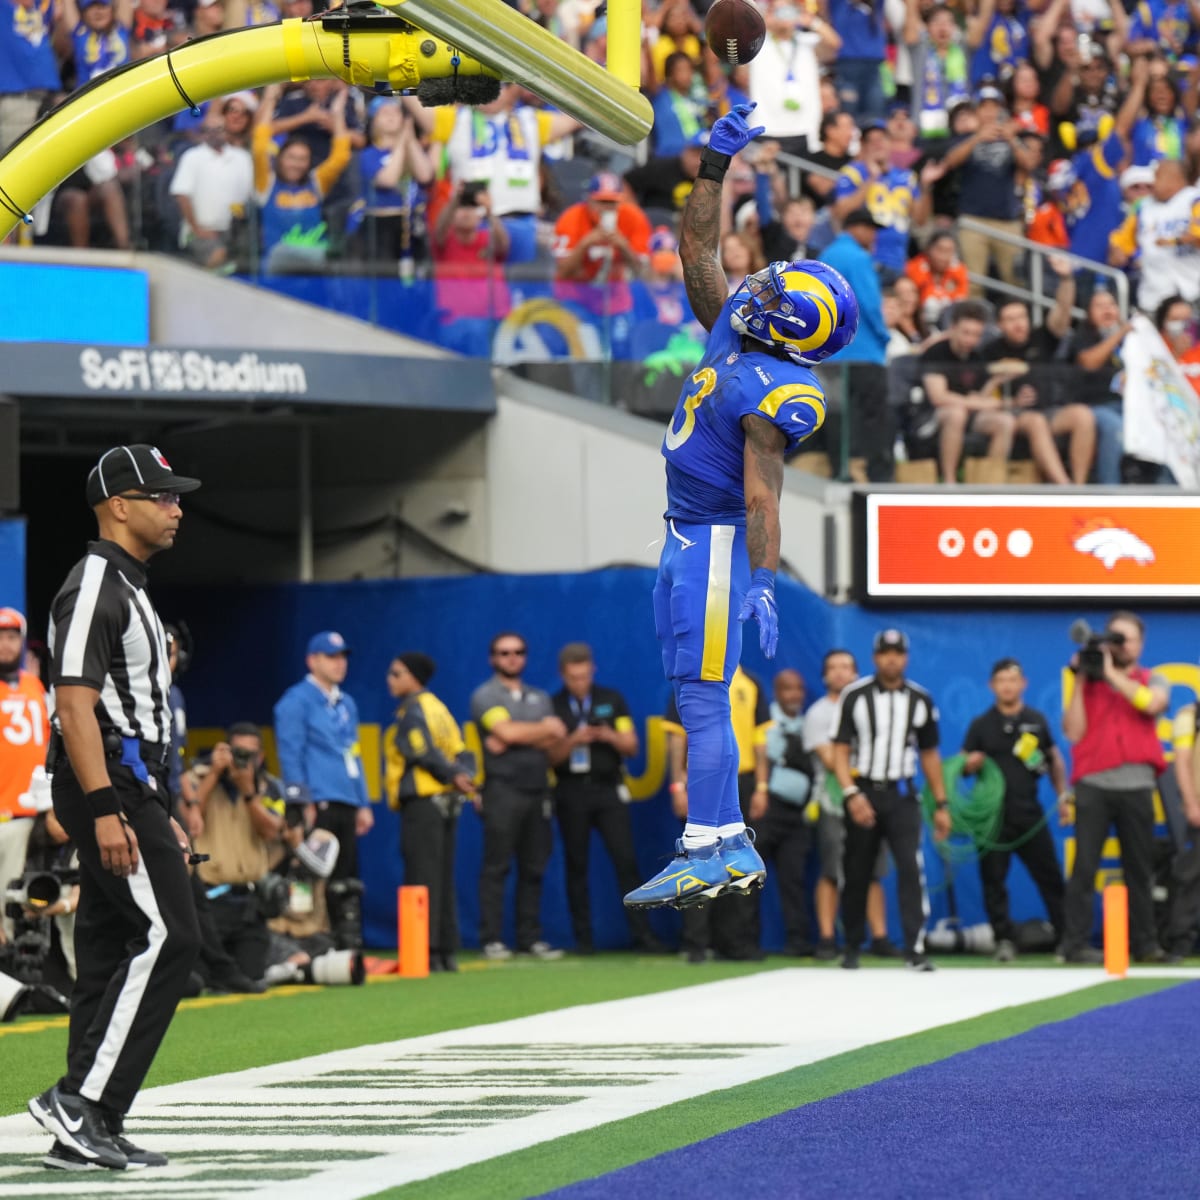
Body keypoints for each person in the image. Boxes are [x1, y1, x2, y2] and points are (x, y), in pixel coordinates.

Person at [623, 102, 859, 914]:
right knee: (694, 692)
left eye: (771, 287)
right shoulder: (735, 335)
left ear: (787, 321)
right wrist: (714, 166)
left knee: (701, 697)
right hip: (686, 535)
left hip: (717, 546)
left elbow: (764, 493)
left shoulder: (776, 392)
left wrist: (762, 578)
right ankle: (729, 843)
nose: (756, 283)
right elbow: (695, 248)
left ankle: (706, 849)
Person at [29, 444, 203, 1171]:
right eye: (160, 496)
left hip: (133, 785)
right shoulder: (96, 582)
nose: (177, 508)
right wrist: (106, 808)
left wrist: (161, 801)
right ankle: (83, 1103)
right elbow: (73, 704)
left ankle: (87, 1126)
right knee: (172, 937)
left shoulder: (128, 584)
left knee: (107, 947)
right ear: (118, 505)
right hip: (109, 784)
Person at [832, 629, 950, 971]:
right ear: (874, 657)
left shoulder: (920, 699)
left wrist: (941, 804)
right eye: (885, 652)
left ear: (906, 657)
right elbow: (840, 750)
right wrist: (851, 793)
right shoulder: (854, 695)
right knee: (857, 871)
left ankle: (915, 948)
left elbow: (929, 754)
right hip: (864, 791)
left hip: (902, 794)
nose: (891, 658)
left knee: (911, 870)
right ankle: (852, 946)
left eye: (897, 652)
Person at [1060, 612, 1169, 964]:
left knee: (1139, 868)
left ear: (1140, 645)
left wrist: (1110, 673)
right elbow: (1073, 732)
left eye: (1127, 640)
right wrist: (1080, 681)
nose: (1120, 646)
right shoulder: (1088, 683)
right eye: (1115, 638)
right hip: (1093, 785)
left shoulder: (1153, 679)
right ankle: (1074, 944)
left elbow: (1151, 704)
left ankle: (1146, 945)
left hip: (1137, 785)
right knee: (1084, 867)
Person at [548, 643, 662, 955]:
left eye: (584, 676)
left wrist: (607, 735)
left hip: (608, 789)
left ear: (592, 670)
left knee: (625, 861)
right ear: (563, 676)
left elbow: (632, 745)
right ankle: (583, 940)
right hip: (571, 791)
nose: (580, 683)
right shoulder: (553, 705)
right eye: (573, 678)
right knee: (576, 865)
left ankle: (643, 936)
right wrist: (574, 740)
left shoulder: (610, 700)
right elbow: (550, 757)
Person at [961, 658, 1068, 962]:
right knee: (993, 881)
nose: (1007, 685)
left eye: (1013, 679)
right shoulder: (980, 725)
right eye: (1001, 680)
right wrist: (971, 764)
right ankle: (1004, 939)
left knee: (1050, 877)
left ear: (1023, 684)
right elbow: (962, 766)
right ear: (992, 686)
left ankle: (1066, 937)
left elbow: (1054, 761)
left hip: (1029, 815)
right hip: (993, 819)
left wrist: (1062, 798)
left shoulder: (1036, 720)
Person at [471, 631, 567, 961]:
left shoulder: (540, 697)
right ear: (492, 658)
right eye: (504, 652)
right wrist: (539, 732)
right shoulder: (486, 695)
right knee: (496, 866)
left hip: (538, 788)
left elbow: (555, 742)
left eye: (518, 652)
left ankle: (529, 938)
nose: (512, 658)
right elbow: (507, 732)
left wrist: (516, 736)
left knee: (534, 866)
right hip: (502, 790)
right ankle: (492, 938)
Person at [273, 631, 371, 951]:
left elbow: (353, 753)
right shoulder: (296, 701)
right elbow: (291, 752)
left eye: (342, 656)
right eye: (331, 656)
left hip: (345, 799)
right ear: (311, 660)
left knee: (346, 877)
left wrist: (363, 801)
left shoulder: (346, 703)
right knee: (308, 873)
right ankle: (306, 938)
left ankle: (346, 942)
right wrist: (302, 801)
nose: (339, 663)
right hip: (319, 801)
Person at [383, 652, 475, 973]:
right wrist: (464, 776)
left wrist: (452, 776)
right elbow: (465, 752)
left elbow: (421, 752)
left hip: (424, 804)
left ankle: (425, 952)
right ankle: (446, 951)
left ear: (412, 677)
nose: (390, 679)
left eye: (396, 673)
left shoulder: (413, 711)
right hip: (447, 803)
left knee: (421, 878)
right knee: (443, 878)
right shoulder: (441, 709)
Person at [804, 649, 894, 959]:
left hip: (871, 800)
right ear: (825, 676)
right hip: (833, 801)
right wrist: (862, 768)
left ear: (856, 673)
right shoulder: (818, 713)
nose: (841, 673)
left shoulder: (873, 707)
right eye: (834, 668)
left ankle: (879, 938)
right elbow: (831, 760)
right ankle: (828, 939)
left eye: (846, 667)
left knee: (872, 871)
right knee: (832, 870)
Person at [980, 268, 1097, 486]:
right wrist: (1007, 393)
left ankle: (1080, 486)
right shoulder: (990, 351)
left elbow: (1063, 311)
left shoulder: (1041, 337)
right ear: (999, 325)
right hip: (1014, 414)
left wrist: (1066, 279)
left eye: (1021, 317)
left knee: (1083, 415)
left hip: (1049, 409)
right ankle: (1065, 487)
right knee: (1036, 421)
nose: (1018, 324)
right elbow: (982, 395)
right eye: (1010, 319)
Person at [190, 724, 286, 983]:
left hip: (249, 902)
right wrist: (214, 773)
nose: (244, 759)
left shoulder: (270, 787)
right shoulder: (197, 778)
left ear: (262, 757)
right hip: (209, 899)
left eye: (251, 754)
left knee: (251, 977)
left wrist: (248, 791)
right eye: (238, 752)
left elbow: (272, 832)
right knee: (200, 978)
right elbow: (189, 818)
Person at [820, 207, 894, 480]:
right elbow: (870, 303)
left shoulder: (826, 256)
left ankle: (841, 471)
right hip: (864, 353)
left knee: (839, 418)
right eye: (871, 229)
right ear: (857, 228)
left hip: (830, 354)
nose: (873, 236)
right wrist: (884, 335)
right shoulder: (859, 258)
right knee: (873, 418)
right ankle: (878, 477)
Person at [918, 299, 1016, 482]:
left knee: (1005, 421)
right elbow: (938, 397)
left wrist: (995, 381)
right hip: (930, 417)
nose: (970, 340)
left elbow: (978, 396)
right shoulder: (936, 353)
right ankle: (949, 481)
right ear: (953, 328)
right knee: (956, 414)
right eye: (966, 333)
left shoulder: (976, 357)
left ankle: (990, 484)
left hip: (969, 414)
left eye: (976, 335)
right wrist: (976, 402)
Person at [0, 607, 49, 944]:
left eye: (12, 637)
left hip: (34, 812)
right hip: (2, 810)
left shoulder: (35, 685)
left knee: (26, 896)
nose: (6, 644)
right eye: (1, 637)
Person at [759, 669, 816, 956]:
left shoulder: (809, 726)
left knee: (794, 880)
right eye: (787, 689)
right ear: (776, 692)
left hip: (799, 815)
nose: (794, 695)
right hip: (766, 808)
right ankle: (742, 941)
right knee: (749, 879)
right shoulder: (765, 723)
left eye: (799, 689)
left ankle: (798, 941)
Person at [168, 107, 254, 270]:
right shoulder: (192, 156)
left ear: (227, 130)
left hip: (237, 231)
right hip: (200, 233)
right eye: (208, 130)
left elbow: (251, 196)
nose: (213, 133)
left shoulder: (243, 157)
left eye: (218, 129)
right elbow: (182, 196)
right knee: (218, 256)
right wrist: (197, 229)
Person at [1166, 688, 1200, 961]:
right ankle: (1181, 938)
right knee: (1192, 877)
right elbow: (1183, 760)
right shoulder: (1190, 716)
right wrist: (1191, 804)